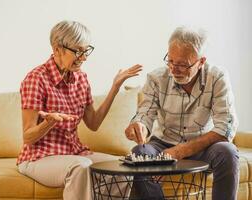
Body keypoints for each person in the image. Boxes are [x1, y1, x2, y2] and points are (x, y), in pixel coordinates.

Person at [16, 20, 142, 200]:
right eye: (77, 51)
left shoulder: (81, 78)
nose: (83, 57)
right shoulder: (36, 79)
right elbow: (28, 136)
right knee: (81, 166)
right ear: (57, 48)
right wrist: (48, 123)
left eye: (86, 51)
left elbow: (94, 123)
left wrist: (115, 86)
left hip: (73, 153)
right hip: (37, 158)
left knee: (121, 166)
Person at [125, 26, 239, 200]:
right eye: (170, 61)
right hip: (162, 144)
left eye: (182, 64)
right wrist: (139, 126)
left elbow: (225, 129)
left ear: (201, 62)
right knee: (140, 153)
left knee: (227, 152)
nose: (173, 69)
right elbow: (145, 115)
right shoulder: (156, 78)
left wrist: (178, 152)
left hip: (204, 147)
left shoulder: (217, 77)